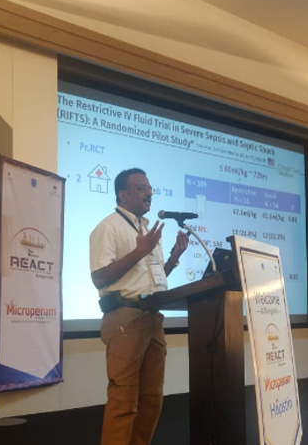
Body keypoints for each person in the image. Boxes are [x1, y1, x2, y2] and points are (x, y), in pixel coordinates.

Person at [89, 168, 189, 445]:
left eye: (150, 188)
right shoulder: (109, 227)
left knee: (151, 399)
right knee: (123, 401)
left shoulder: (147, 230)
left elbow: (152, 280)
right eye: (142, 188)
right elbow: (99, 277)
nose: (149, 193)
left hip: (152, 316)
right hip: (125, 317)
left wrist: (174, 257)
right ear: (123, 194)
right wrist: (139, 251)